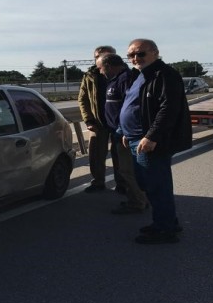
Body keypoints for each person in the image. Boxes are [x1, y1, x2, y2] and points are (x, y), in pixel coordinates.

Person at [120, 39, 192, 244]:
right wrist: (126, 131)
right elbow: (136, 106)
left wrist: (152, 136)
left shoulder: (165, 75)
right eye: (131, 55)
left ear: (155, 53)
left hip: (150, 141)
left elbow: (168, 109)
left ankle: (165, 230)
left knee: (156, 186)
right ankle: (166, 222)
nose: (135, 59)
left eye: (140, 54)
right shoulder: (141, 75)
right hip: (136, 138)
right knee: (148, 184)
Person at [97, 53, 149, 214]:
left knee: (128, 170)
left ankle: (138, 202)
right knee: (126, 169)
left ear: (108, 65)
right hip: (120, 132)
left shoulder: (126, 78)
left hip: (126, 133)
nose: (99, 72)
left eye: (100, 68)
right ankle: (138, 199)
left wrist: (122, 130)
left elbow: (131, 106)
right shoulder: (116, 79)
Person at [79, 45, 126, 193]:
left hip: (120, 122)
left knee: (120, 155)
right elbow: (83, 99)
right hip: (98, 122)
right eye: (97, 56)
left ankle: (122, 183)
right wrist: (88, 120)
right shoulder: (90, 75)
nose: (101, 58)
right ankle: (98, 182)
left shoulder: (125, 73)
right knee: (96, 154)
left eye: (106, 55)